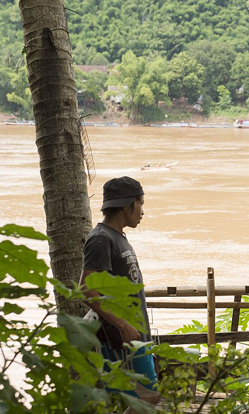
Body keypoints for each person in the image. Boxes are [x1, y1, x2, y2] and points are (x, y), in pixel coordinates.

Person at [79, 176, 160, 413]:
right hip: (125, 337)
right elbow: (85, 288)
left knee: (143, 397)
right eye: (140, 204)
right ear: (127, 205)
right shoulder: (101, 239)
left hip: (136, 334)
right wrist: (122, 325)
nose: (142, 211)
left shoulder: (117, 236)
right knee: (148, 397)